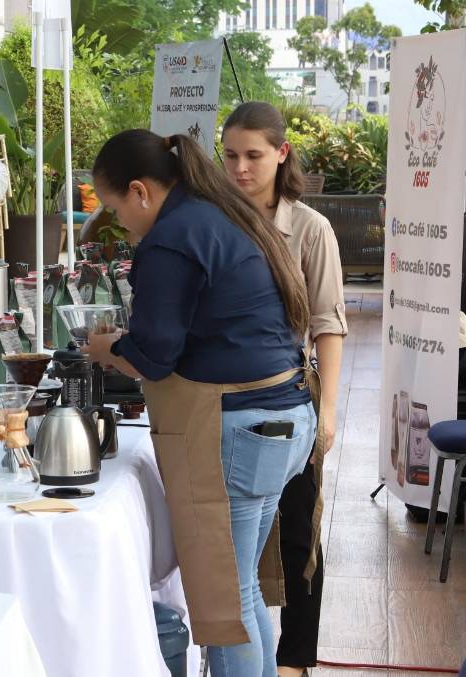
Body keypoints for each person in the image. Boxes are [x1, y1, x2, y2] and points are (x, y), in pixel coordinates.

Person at [83, 129, 317, 677]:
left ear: (140, 192)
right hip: (285, 418)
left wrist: (107, 348)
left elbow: (155, 355)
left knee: (221, 608)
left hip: (236, 432)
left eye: (117, 208)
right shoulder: (224, 211)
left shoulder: (171, 237)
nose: (123, 222)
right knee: (238, 593)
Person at [223, 101, 348, 677]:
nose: (241, 168)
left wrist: (326, 412)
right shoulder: (212, 219)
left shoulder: (310, 228)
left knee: (299, 531)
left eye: (253, 156)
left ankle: (295, 658)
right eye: (230, 156)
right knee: (235, 547)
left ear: (282, 153)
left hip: (290, 397)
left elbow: (328, 323)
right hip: (222, 398)